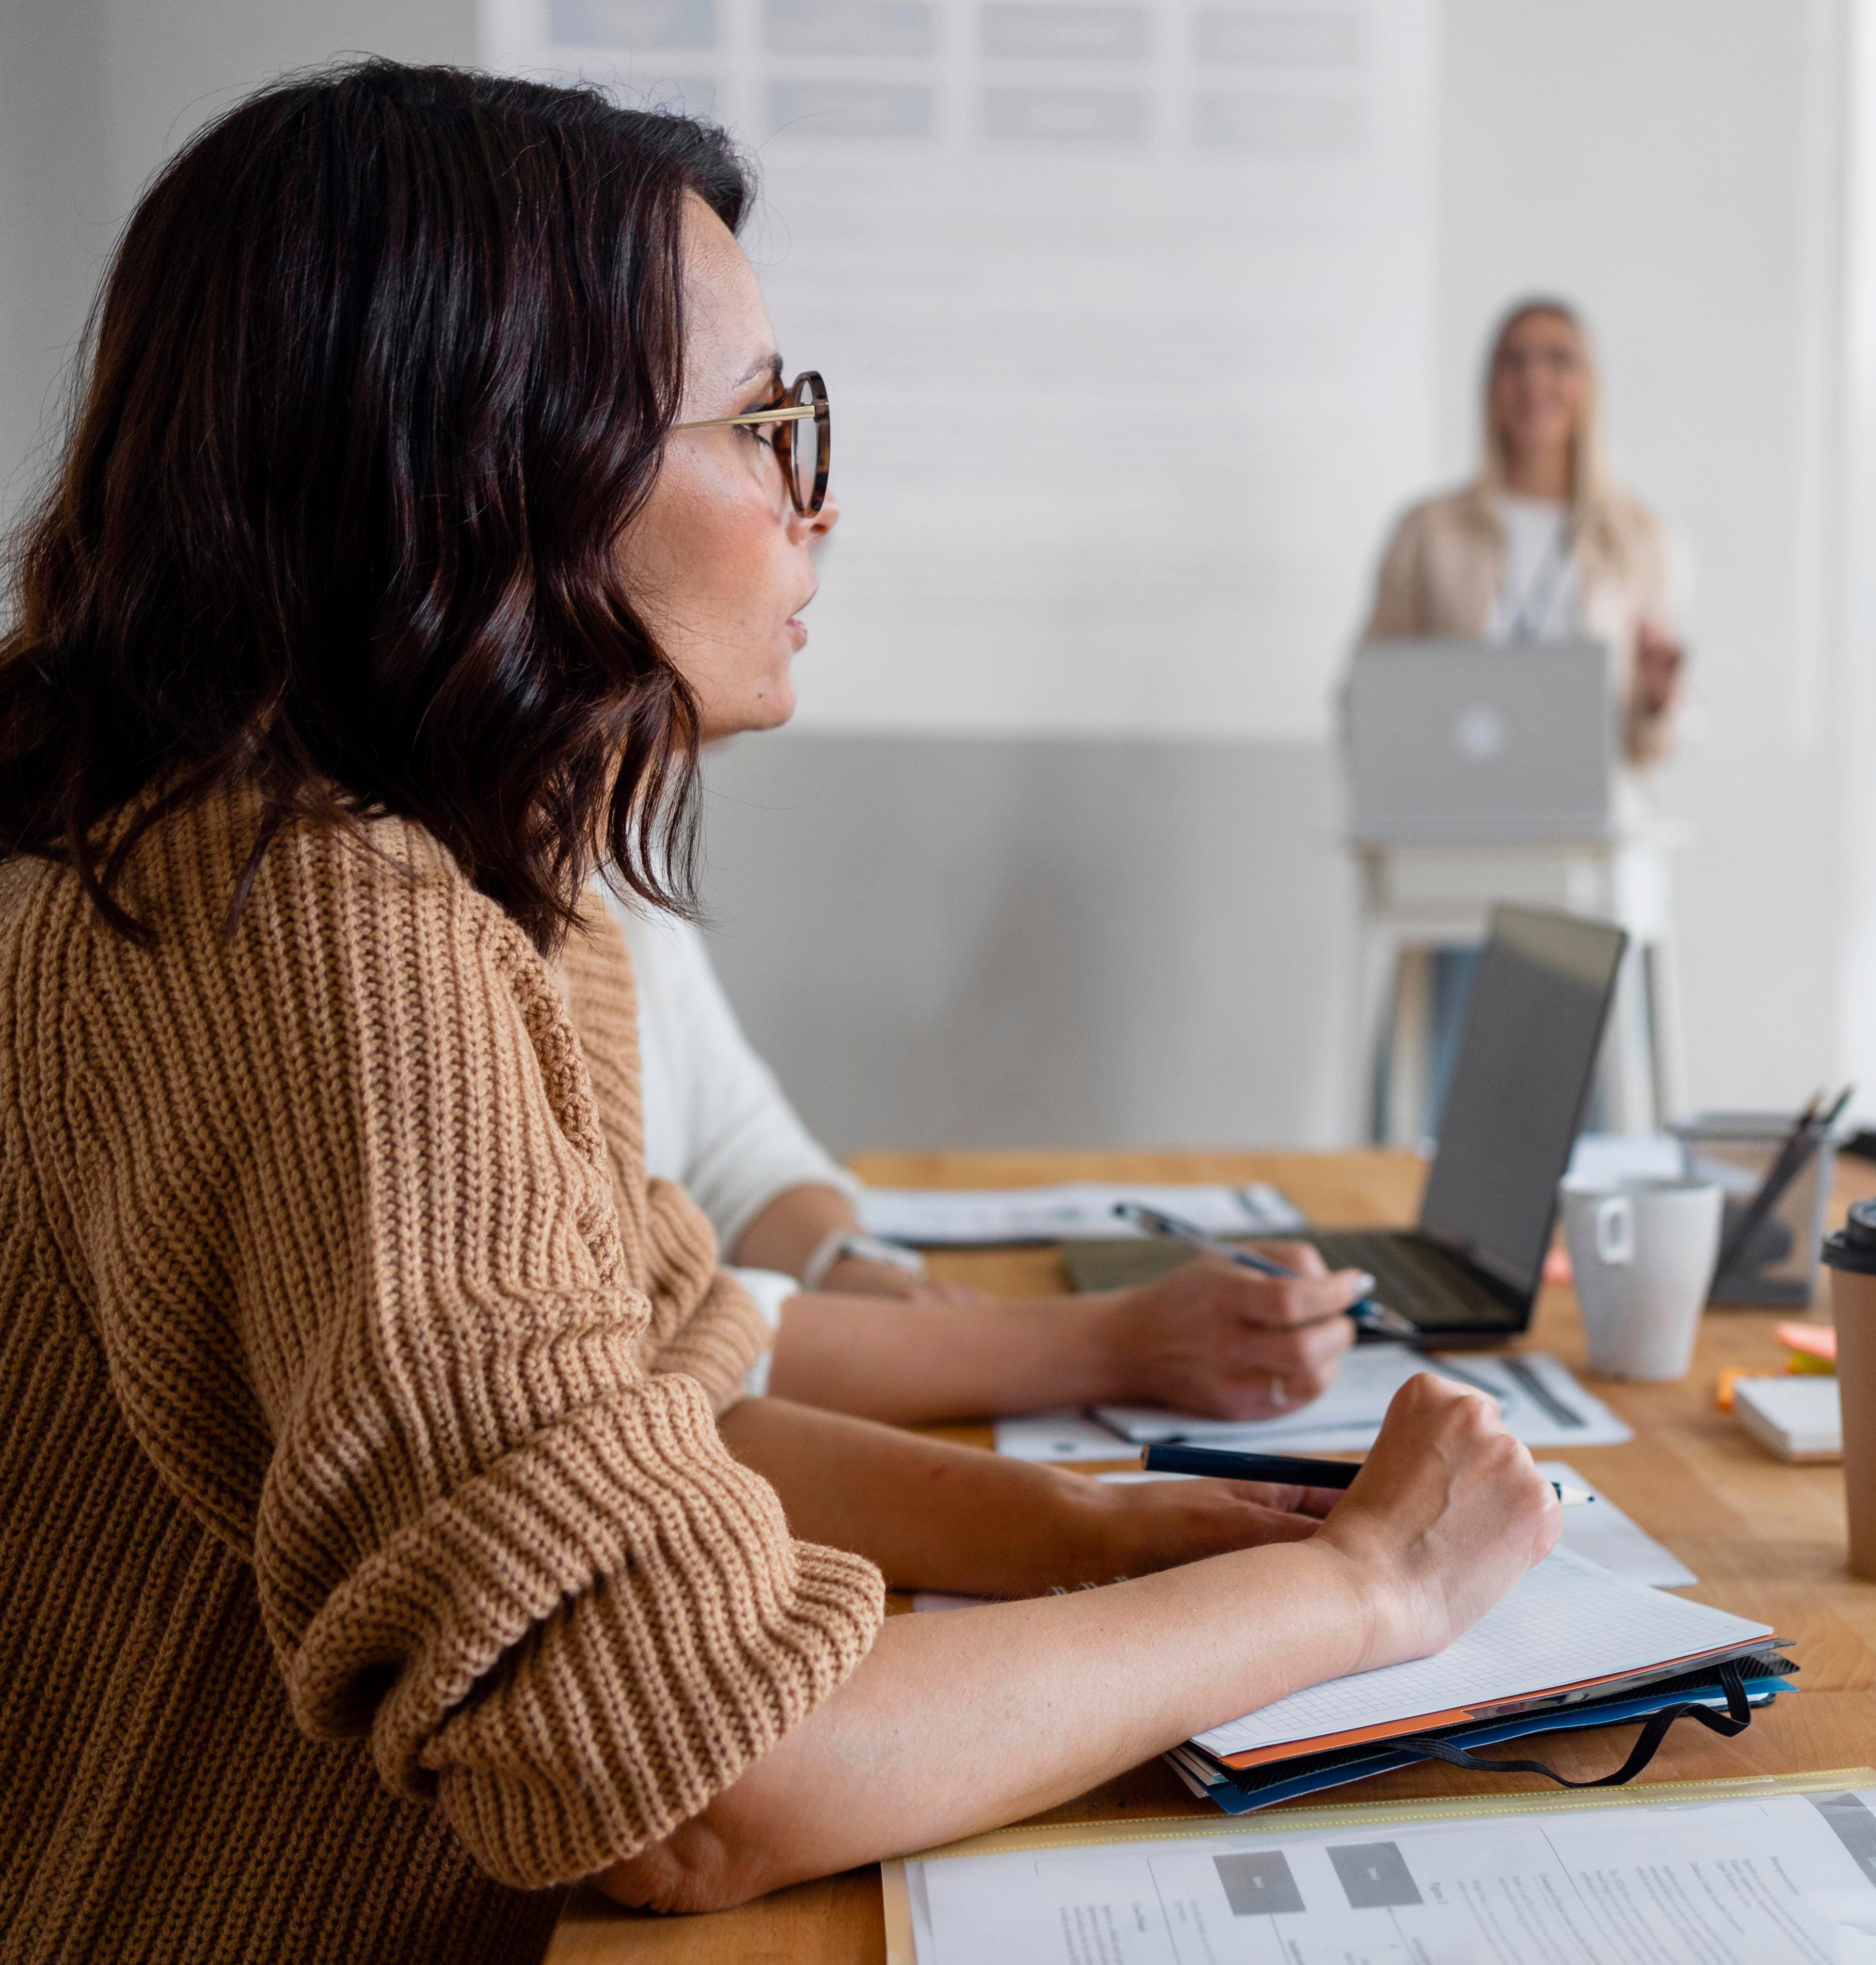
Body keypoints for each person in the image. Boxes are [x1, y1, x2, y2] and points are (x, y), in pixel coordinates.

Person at [0, 61, 1555, 1959]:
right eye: (762, 424)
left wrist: (1084, 1537)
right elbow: (692, 1782)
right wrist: (1370, 1593)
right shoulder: (323, 922)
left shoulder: (458, 886)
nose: (819, 499)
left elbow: (667, 1396)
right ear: (502, 466)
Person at [614, 892, 1362, 1421]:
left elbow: (736, 1148)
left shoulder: (617, 845)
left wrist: (848, 1266)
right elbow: (635, 1335)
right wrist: (1123, 1344)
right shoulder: (539, 897)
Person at [1361, 297, 1690, 770]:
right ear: (1489, 387)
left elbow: (1651, 747)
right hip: (1461, 800)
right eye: (1513, 362)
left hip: (1587, 807)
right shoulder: (1428, 532)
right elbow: (1371, 692)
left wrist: (1657, 699)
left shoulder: (1638, 538)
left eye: (1558, 360)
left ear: (1589, 384)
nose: (1534, 380)